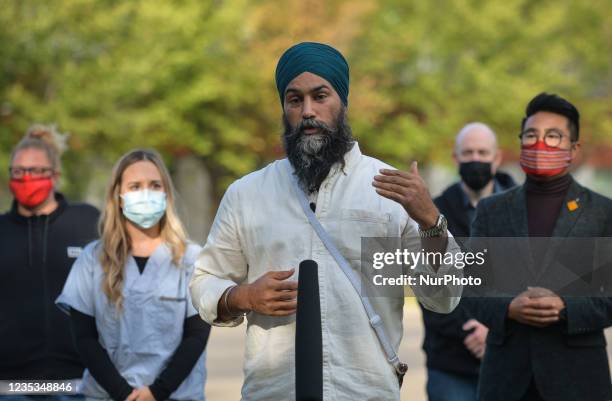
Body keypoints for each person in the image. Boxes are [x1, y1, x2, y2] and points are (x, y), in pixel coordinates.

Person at [190, 42, 463, 401]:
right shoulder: (248, 194)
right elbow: (204, 279)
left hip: (365, 392)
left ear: (343, 101)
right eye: (294, 99)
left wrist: (430, 221)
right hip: (274, 393)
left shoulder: (389, 189)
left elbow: (443, 297)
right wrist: (242, 296)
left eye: (321, 96)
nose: (308, 111)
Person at [466, 93, 612, 401]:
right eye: (531, 135)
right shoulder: (492, 210)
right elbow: (471, 289)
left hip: (579, 377)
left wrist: (566, 308)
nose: (539, 144)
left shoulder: (601, 213)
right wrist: (508, 308)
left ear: (574, 149)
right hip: (506, 378)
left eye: (553, 136)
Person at [56, 149, 210, 401]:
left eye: (155, 185)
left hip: (176, 395)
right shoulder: (92, 259)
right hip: (107, 395)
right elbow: (84, 338)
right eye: (135, 186)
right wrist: (122, 393)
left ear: (166, 194)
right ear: (118, 196)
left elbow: (197, 335)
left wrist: (157, 392)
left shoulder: (192, 258)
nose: (146, 194)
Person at [0, 125, 99, 400]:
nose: (26, 178)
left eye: (36, 171)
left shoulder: (88, 222)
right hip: (9, 388)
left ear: (54, 175)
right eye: (18, 171)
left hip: (81, 384)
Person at [420, 123, 516, 401]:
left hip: (509, 362)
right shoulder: (432, 214)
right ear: (456, 158)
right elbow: (428, 284)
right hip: (450, 366)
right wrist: (473, 327)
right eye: (468, 152)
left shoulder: (522, 211)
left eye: (483, 152)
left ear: (497, 158)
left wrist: (494, 326)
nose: (476, 159)